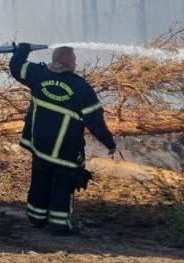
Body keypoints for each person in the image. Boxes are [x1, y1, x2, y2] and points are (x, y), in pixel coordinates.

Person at [9, 43, 116, 235]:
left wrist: (23, 49)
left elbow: (16, 66)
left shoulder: (38, 74)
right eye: (74, 59)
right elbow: (95, 123)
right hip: (64, 151)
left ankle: (37, 218)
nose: (75, 62)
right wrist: (109, 143)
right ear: (67, 61)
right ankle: (58, 226)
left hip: (40, 147)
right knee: (62, 185)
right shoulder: (80, 87)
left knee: (40, 180)